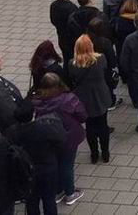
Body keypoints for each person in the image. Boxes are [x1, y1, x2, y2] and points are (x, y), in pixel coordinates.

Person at [31, 73, 85, 206]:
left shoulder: (37, 100)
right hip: (68, 136)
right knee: (67, 165)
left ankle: (57, 191)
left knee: (55, 163)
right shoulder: (68, 99)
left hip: (48, 137)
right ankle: (70, 193)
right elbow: (82, 115)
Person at [5, 100, 65, 215]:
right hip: (47, 168)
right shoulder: (44, 128)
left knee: (31, 202)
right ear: (33, 113)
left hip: (26, 171)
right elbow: (60, 142)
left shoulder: (12, 132)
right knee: (49, 200)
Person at [67, 36, 113, 164]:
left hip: (84, 98)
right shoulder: (100, 59)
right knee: (103, 125)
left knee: (90, 127)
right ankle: (105, 153)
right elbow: (105, 71)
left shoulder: (72, 64)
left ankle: (94, 153)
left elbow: (72, 79)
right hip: (100, 96)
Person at [49, 0, 77, 64]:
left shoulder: (53, 5)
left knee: (66, 57)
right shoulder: (71, 7)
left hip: (61, 37)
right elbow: (75, 24)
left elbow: (53, 20)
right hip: (71, 39)